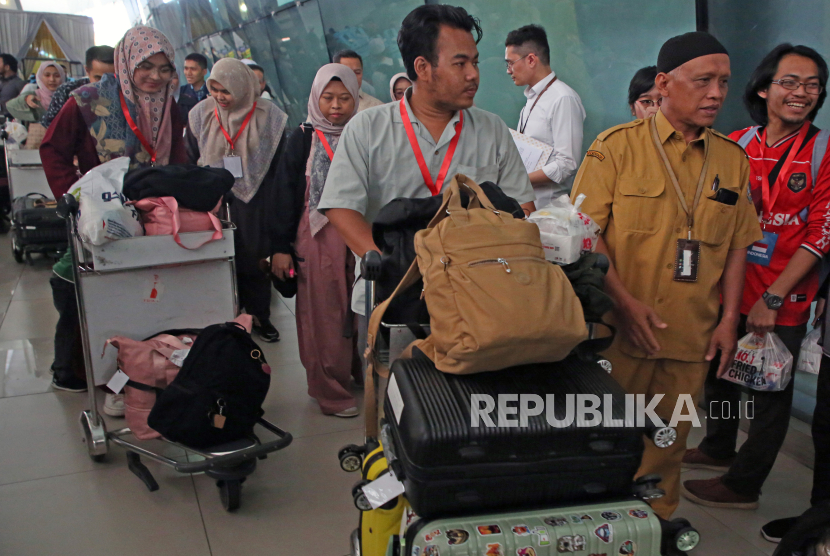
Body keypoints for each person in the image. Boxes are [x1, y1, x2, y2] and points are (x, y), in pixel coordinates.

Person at [570, 31, 763, 519]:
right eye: (703, 81)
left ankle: (654, 527)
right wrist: (625, 304)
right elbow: (587, 236)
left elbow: (740, 243)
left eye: (723, 82)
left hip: (690, 333)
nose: (716, 93)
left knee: (667, 440)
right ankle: (598, 526)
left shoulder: (732, 160)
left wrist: (728, 322)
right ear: (663, 84)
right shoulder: (614, 148)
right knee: (601, 436)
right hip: (617, 330)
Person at [317, 4, 536, 365]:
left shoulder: (492, 129)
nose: (473, 75)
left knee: (470, 410)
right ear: (422, 67)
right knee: (398, 405)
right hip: (390, 299)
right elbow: (341, 206)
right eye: (460, 63)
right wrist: (386, 265)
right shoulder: (368, 128)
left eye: (476, 62)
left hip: (480, 296)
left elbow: (521, 207)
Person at [682, 44, 830, 510]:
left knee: (769, 393)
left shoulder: (823, 150)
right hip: (731, 286)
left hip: (784, 293)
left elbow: (821, 232)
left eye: (811, 85)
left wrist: (774, 296)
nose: (800, 93)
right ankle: (718, 446)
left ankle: (744, 485)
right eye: (789, 82)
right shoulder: (738, 144)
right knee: (720, 375)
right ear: (764, 88)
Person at [40, 26, 188, 417]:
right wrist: (73, 196)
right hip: (103, 216)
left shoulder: (168, 103)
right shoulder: (87, 101)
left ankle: (136, 372)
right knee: (98, 291)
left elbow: (178, 154)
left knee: (142, 296)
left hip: (153, 214)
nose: (155, 77)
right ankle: (95, 372)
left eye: (163, 68)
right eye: (146, 67)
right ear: (126, 63)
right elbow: (53, 150)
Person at [273, 64, 362, 417]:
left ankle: (355, 371)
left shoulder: (362, 133)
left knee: (357, 309)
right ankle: (330, 391)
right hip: (317, 236)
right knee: (323, 316)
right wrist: (279, 247)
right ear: (315, 98)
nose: (336, 106)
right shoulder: (303, 138)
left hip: (356, 233)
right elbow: (283, 194)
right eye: (328, 98)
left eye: (344, 98)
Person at [186, 58, 288, 344]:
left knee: (254, 259)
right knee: (217, 261)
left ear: (242, 87)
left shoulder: (270, 116)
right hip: (212, 201)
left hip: (255, 201)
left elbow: (278, 165)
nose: (220, 96)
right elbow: (191, 155)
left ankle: (259, 316)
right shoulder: (200, 114)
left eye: (226, 90)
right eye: (214, 89)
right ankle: (223, 319)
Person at [505, 24, 585, 207]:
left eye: (511, 63)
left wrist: (520, 180)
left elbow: (567, 164)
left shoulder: (563, 98)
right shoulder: (532, 99)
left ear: (531, 60)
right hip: (527, 206)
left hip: (549, 210)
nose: (508, 70)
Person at [41, 46, 115, 129]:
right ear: (87, 70)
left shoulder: (125, 93)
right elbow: (51, 125)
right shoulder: (67, 91)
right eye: (98, 78)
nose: (104, 84)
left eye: (111, 78)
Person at [178, 53, 208, 122]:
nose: (188, 73)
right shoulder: (180, 94)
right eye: (186, 68)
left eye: (193, 69)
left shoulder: (213, 91)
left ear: (204, 72)